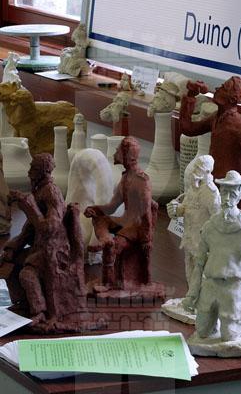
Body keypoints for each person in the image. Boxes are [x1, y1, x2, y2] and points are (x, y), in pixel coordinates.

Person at [0, 154, 87, 329]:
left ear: (43, 171)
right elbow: (29, 229)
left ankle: (39, 312)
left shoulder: (51, 192)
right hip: (41, 247)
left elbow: (50, 228)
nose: (29, 172)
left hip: (55, 250)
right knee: (8, 265)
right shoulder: (39, 190)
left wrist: (30, 206)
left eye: (33, 168)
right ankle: (23, 303)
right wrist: (13, 247)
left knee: (27, 274)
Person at [182, 170, 241, 342]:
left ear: (240, 194)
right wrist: (192, 294)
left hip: (232, 288)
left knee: (229, 336)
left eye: (232, 194)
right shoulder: (210, 226)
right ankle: (218, 321)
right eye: (224, 192)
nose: (227, 199)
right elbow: (199, 264)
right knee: (202, 331)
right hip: (210, 285)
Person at [179, 76, 241, 210]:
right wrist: (190, 96)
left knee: (234, 219)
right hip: (215, 181)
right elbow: (188, 129)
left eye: (223, 87)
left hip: (234, 185)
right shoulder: (216, 118)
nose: (217, 88)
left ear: (233, 98)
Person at [85, 136, 157, 290]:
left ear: (127, 156)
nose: (114, 153)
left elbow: (146, 213)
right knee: (99, 219)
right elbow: (112, 207)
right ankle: (106, 240)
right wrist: (95, 209)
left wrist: (146, 239)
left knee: (114, 248)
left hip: (135, 228)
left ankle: (108, 282)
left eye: (117, 150)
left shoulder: (142, 181)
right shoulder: (125, 178)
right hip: (125, 222)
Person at [167, 155, 220, 284]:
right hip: (189, 238)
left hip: (201, 244)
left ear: (207, 171)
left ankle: (200, 295)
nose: (193, 171)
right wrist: (175, 210)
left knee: (201, 276)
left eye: (198, 168)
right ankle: (191, 294)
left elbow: (217, 221)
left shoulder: (211, 193)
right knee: (190, 272)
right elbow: (185, 208)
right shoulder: (193, 188)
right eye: (195, 167)